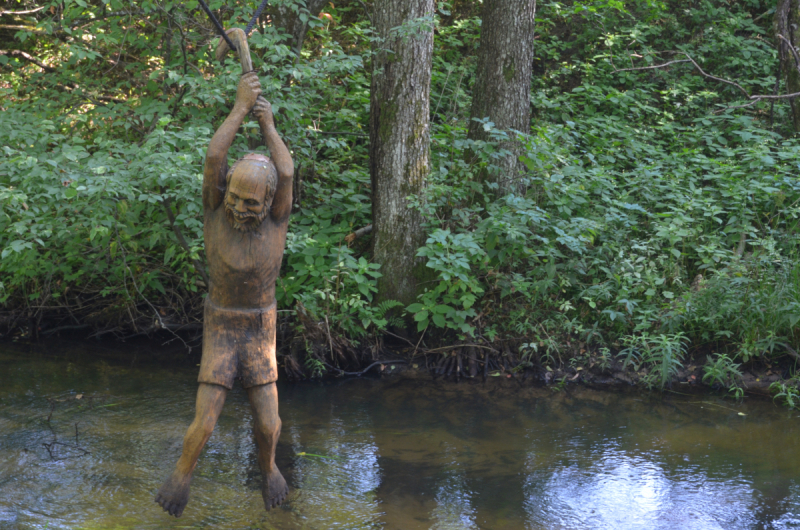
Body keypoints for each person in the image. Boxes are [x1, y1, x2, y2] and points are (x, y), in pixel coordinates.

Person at [155, 71, 294, 518]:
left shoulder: (276, 222)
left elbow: (287, 169)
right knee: (207, 419)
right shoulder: (215, 212)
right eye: (235, 196)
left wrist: (269, 126)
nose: (239, 207)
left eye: (251, 203)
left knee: (269, 422)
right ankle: (181, 475)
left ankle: (269, 469)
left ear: (269, 203)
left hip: (259, 326)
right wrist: (239, 108)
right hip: (221, 322)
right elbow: (216, 155)